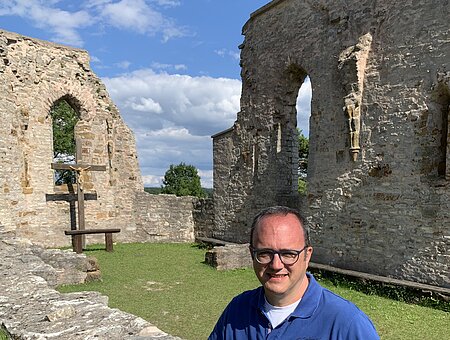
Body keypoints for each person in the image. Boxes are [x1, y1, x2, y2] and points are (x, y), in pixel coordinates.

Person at [209, 206, 379, 339]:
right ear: (251, 254)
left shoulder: (346, 324)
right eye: (264, 253)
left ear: (307, 256)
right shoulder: (238, 310)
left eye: (288, 254)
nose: (276, 265)